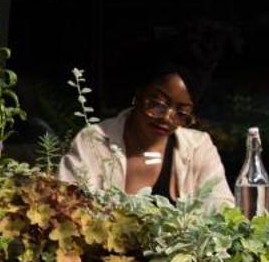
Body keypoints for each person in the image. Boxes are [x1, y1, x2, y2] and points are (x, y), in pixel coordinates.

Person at [59, 57, 234, 207]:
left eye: (181, 113)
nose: (166, 118)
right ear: (139, 93)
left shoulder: (198, 148)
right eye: (157, 104)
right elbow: (65, 204)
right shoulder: (94, 141)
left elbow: (221, 208)